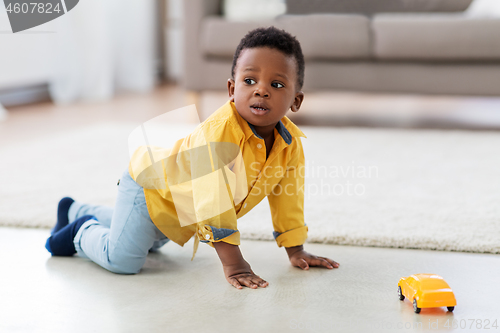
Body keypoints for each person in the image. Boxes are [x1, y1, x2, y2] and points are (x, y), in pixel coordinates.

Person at [45, 26, 340, 289]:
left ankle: (75, 209)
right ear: (231, 89)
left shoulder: (290, 144)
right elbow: (213, 202)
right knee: (124, 260)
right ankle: (78, 232)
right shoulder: (218, 135)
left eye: (276, 85)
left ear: (296, 101)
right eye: (249, 81)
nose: (261, 90)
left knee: (153, 239)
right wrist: (234, 263)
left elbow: (288, 197)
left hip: (180, 214)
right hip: (149, 191)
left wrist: (295, 249)